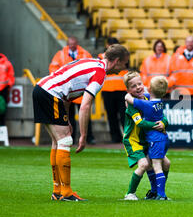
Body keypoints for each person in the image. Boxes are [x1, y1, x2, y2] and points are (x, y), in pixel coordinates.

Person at [33, 44, 129, 201]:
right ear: (117, 61)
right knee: (65, 141)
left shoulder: (92, 63)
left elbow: (68, 90)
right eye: (124, 64)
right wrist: (83, 136)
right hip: (51, 94)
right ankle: (66, 192)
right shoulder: (99, 73)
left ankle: (57, 191)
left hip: (43, 89)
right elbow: (85, 105)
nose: (122, 69)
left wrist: (66, 119)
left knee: (57, 142)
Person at [122, 71, 170, 200]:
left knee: (166, 163)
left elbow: (161, 115)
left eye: (139, 83)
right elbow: (140, 123)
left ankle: (156, 192)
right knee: (143, 164)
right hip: (133, 141)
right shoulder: (131, 105)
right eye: (133, 86)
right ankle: (130, 193)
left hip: (146, 140)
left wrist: (163, 123)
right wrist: (155, 125)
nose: (138, 87)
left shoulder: (148, 97)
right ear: (128, 90)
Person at [49, 36, 95, 145]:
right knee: (69, 117)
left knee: (84, 115)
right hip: (67, 90)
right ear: (67, 44)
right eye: (70, 44)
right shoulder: (60, 54)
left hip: (80, 90)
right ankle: (71, 137)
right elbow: (53, 69)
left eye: (74, 44)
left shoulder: (85, 53)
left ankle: (89, 137)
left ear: (77, 43)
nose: (72, 46)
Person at [98, 37, 127, 143]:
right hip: (107, 89)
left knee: (124, 115)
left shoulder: (123, 57)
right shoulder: (101, 57)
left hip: (122, 89)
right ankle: (115, 138)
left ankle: (127, 136)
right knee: (111, 116)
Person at [0, 53, 14, 126]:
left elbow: (11, 76)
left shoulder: (7, 63)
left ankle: (2, 128)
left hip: (3, 89)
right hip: (3, 89)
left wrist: (9, 86)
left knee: (2, 109)